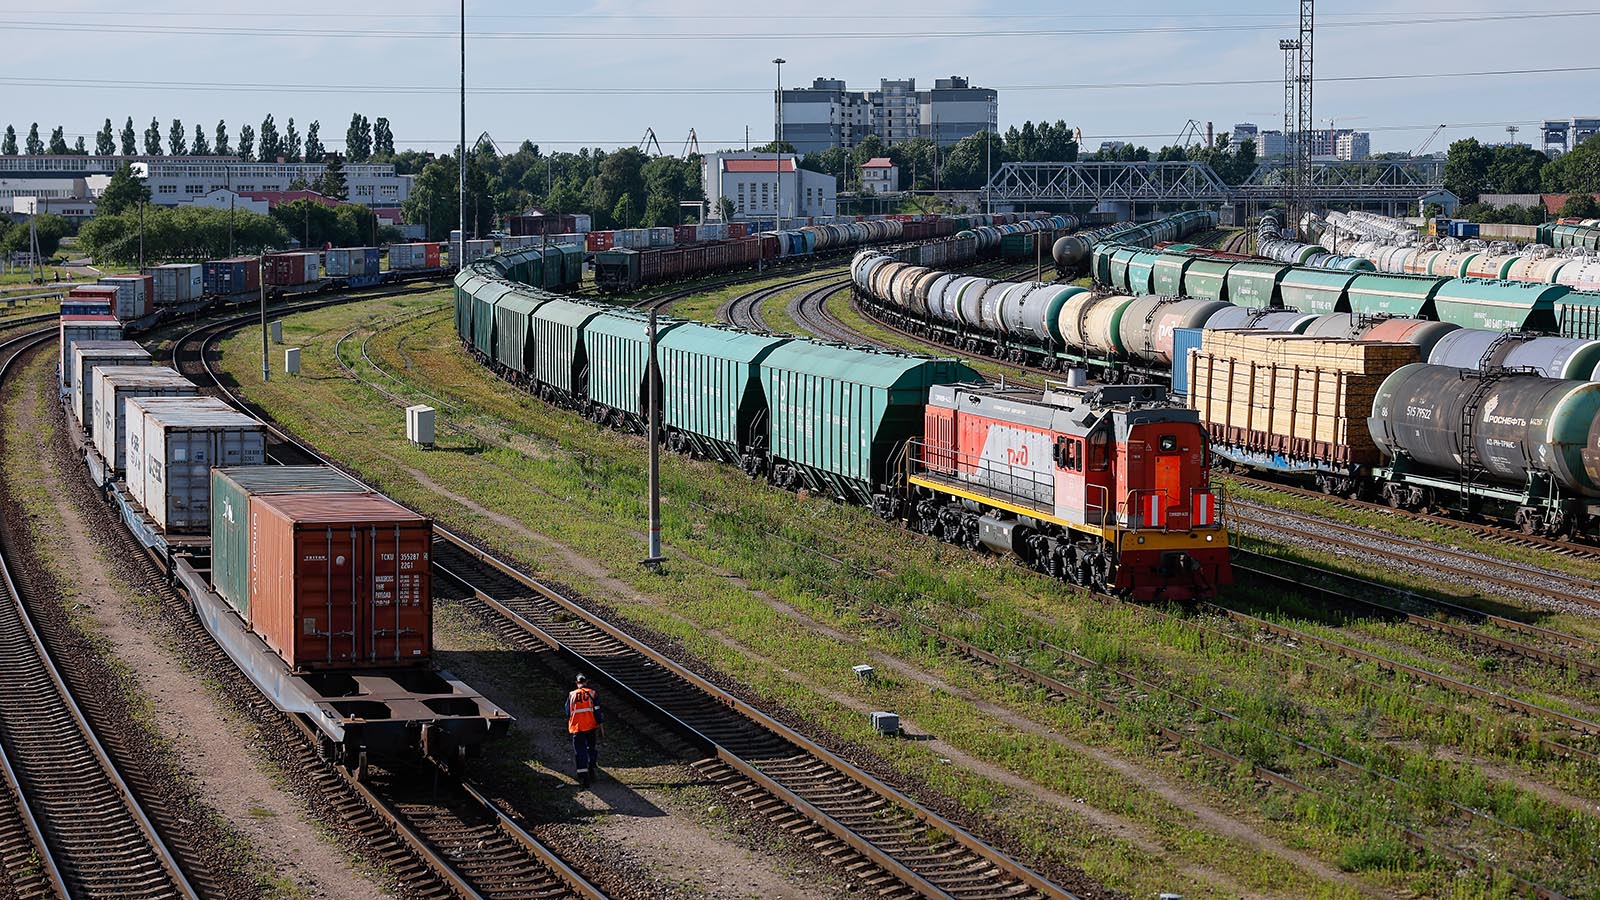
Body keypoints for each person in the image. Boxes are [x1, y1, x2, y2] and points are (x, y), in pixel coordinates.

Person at [565, 674, 604, 787]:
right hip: (590, 727)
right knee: (590, 748)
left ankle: (583, 776)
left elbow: (567, 712)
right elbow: (597, 712)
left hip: (577, 728)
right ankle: (591, 768)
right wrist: (601, 727)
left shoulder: (571, 695)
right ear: (586, 682)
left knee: (580, 751)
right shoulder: (592, 693)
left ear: (577, 683)